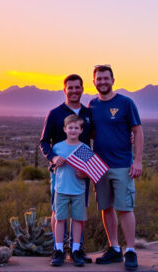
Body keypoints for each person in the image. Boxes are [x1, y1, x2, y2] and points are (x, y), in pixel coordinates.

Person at [90, 65, 143, 271]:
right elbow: (92, 133)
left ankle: (130, 250)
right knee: (106, 207)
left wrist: (137, 160)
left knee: (125, 207)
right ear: (94, 82)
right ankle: (114, 248)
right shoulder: (92, 105)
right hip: (99, 165)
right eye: (98, 79)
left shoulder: (126, 103)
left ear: (113, 80)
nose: (102, 82)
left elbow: (137, 131)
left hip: (122, 164)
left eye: (106, 78)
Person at [39, 74, 93, 265]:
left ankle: (77, 249)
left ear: (82, 89)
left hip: (81, 174)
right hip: (59, 173)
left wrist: (128, 137)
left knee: (79, 212)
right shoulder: (54, 113)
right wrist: (53, 158)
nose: (74, 91)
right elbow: (44, 142)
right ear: (64, 90)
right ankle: (58, 249)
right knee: (58, 212)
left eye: (77, 87)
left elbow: (96, 140)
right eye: (70, 87)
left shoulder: (88, 114)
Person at [50, 115, 90, 267]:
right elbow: (52, 167)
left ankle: (76, 250)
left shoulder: (85, 148)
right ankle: (59, 249)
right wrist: (55, 162)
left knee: (78, 220)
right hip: (61, 189)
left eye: (76, 128)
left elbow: (89, 170)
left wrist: (85, 173)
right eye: (70, 127)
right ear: (64, 129)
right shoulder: (57, 148)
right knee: (60, 219)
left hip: (78, 190)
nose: (73, 130)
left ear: (81, 130)